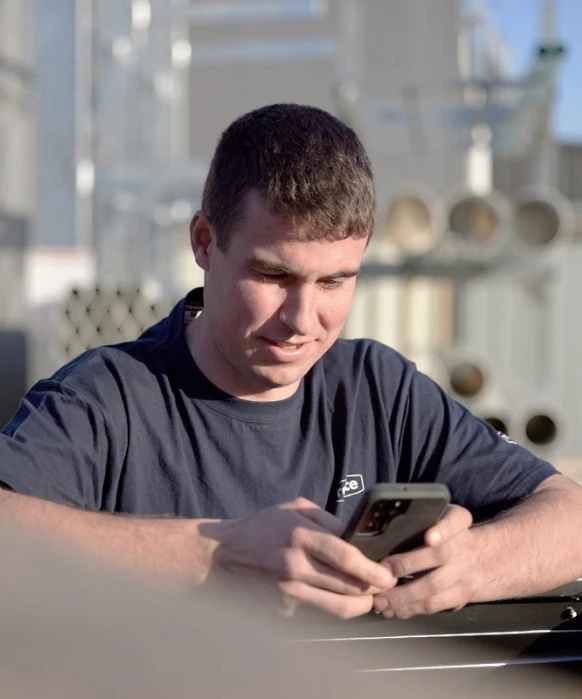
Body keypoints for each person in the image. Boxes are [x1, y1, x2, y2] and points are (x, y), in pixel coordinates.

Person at [1, 103, 581, 621]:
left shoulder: (381, 390)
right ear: (204, 241)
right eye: (274, 276)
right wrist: (217, 554)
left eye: (335, 281)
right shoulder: (108, 399)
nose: (304, 320)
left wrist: (470, 564)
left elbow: (571, 518)